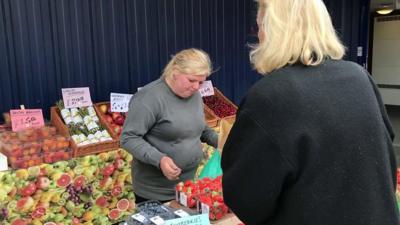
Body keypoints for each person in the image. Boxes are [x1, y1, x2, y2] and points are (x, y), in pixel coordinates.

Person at [221, 0, 400, 225]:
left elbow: (245, 199)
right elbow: (385, 159)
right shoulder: (360, 78)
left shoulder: (270, 96)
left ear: (274, 31)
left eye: (260, 26)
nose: (258, 35)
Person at [121, 48, 218, 203]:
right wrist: (160, 159)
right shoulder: (148, 98)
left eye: (201, 82)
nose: (196, 87)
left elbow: (199, 127)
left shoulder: (194, 95)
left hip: (188, 185)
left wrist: (221, 140)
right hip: (155, 192)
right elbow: (129, 138)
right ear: (174, 72)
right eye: (191, 80)